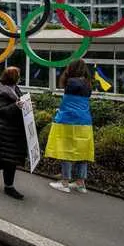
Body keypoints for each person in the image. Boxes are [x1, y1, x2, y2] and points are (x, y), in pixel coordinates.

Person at [45, 59, 95, 194]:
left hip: (67, 121)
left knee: (65, 150)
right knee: (82, 153)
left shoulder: (71, 82)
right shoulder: (87, 83)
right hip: (85, 122)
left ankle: (65, 182)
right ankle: (80, 184)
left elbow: (68, 101)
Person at [0, 67, 28, 200]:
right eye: (18, 74)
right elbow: (1, 110)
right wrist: (17, 106)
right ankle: (9, 187)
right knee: (10, 160)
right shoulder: (3, 91)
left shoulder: (13, 88)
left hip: (11, 131)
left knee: (9, 158)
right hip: (5, 131)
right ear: (13, 77)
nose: (20, 76)